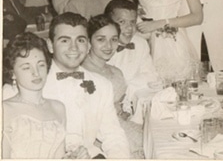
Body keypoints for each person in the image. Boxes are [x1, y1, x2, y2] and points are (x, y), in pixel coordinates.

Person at [44, 12, 130, 158]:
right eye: (65, 41)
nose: (74, 48)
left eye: (80, 40)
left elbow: (113, 135)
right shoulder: (34, 84)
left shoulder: (102, 85)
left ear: (88, 44)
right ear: (50, 45)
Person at [82, 14, 144, 158]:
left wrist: (123, 111)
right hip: (100, 138)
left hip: (120, 126)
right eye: (101, 39)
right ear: (89, 41)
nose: (109, 46)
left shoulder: (115, 71)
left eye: (114, 39)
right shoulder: (83, 73)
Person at [2, 32, 69, 159]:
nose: (36, 73)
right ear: (12, 73)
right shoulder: (4, 110)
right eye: (26, 67)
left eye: (41, 65)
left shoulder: (58, 108)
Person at [104, 0, 161, 102]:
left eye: (132, 22)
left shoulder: (140, 44)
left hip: (132, 99)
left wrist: (128, 87)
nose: (129, 28)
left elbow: (151, 75)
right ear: (108, 23)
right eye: (122, 22)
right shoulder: (101, 47)